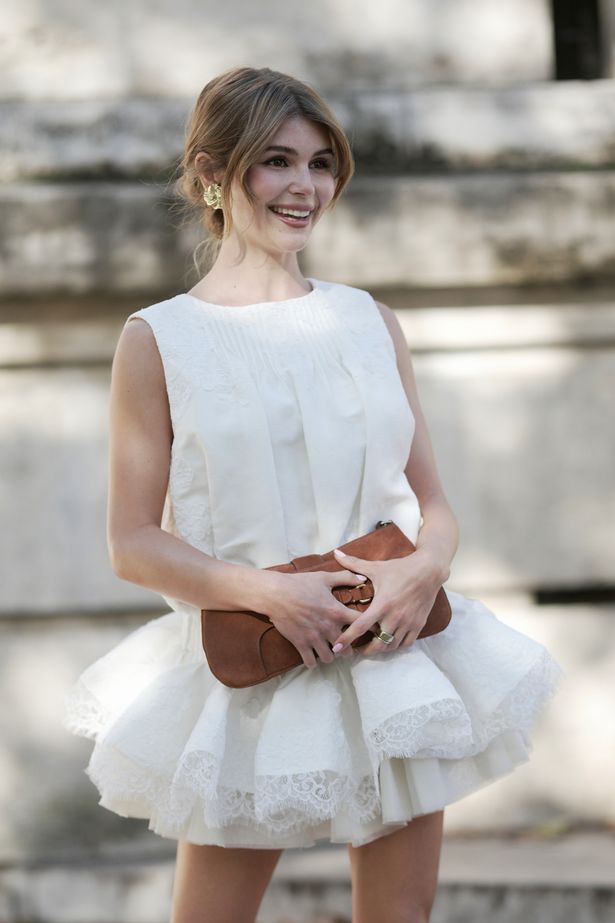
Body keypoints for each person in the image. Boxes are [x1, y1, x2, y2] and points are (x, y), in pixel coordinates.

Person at [63, 66, 564, 923]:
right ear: (211, 174)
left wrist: (424, 570)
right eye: (277, 161)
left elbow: (432, 503)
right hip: (251, 660)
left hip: (390, 652)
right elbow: (132, 542)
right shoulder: (160, 339)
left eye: (321, 163)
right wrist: (269, 592)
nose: (305, 187)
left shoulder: (368, 320)